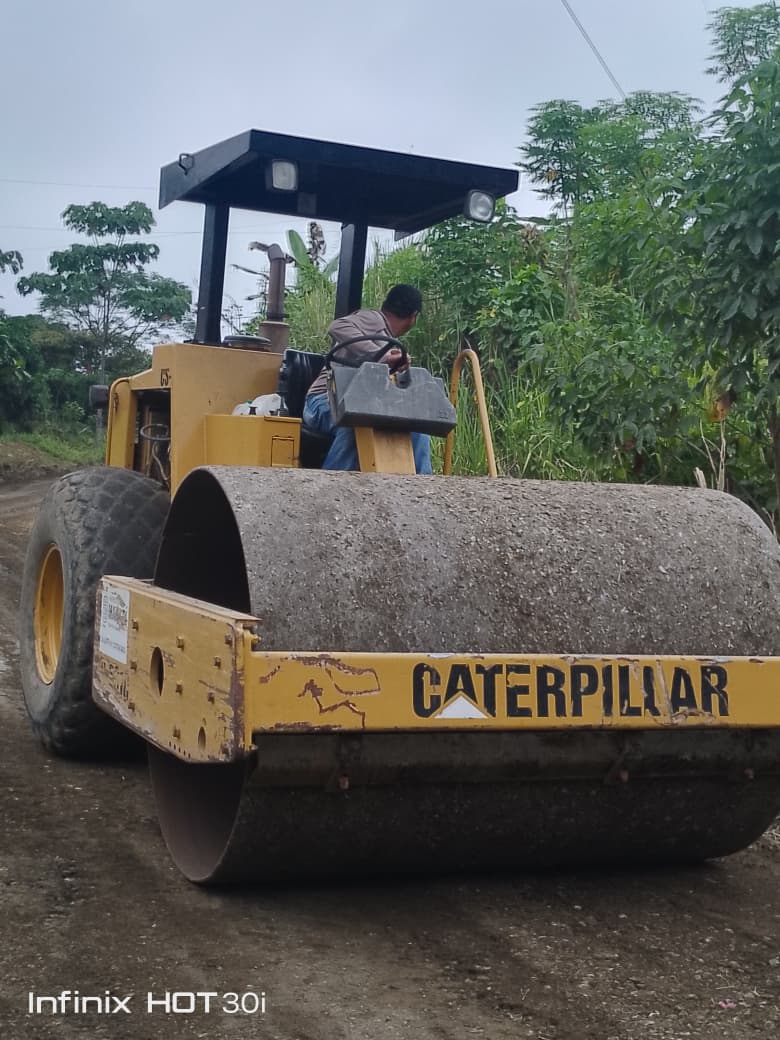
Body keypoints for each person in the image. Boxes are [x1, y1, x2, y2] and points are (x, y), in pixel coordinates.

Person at [302, 284, 432, 472]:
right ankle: (330, 484)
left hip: (365, 405)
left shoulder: (392, 344)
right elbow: (337, 326)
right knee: (357, 424)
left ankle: (421, 485)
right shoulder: (374, 319)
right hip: (323, 401)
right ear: (413, 316)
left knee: (417, 428)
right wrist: (381, 356)